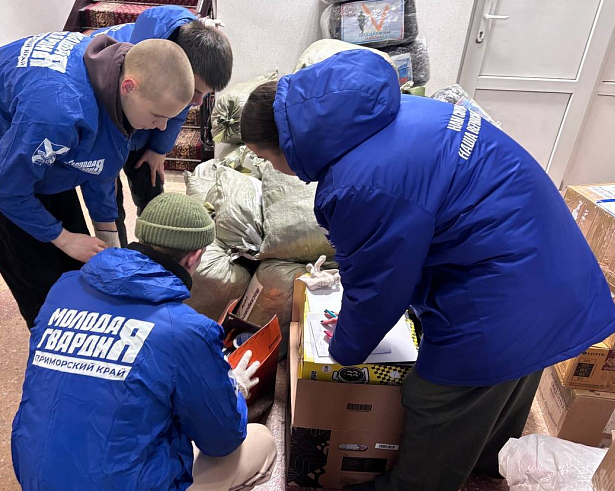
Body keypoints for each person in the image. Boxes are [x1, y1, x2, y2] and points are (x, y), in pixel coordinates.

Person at [240, 49, 615, 491]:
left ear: (288, 145)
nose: (272, 169)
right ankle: (486, 457)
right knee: (506, 379)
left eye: (266, 158)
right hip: (549, 258)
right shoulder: (384, 112)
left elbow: (377, 289)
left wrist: (340, 352)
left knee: (436, 396)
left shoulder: (359, 182)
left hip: (509, 288)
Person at [11, 192, 277, 491]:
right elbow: (222, 441)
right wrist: (234, 389)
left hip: (36, 478)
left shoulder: (64, 289)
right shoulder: (185, 329)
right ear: (195, 256)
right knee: (261, 443)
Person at [0, 33, 194, 328]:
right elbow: (6, 190)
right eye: (157, 115)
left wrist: (108, 238)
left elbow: (100, 160)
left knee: (79, 260)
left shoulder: (120, 76)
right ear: (129, 87)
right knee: (38, 276)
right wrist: (63, 238)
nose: (162, 127)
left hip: (41, 145)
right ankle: (51, 335)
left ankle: (83, 321)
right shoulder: (57, 114)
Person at [92, 6, 233, 245]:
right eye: (196, 92)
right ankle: (119, 254)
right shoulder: (121, 61)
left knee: (151, 183)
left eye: (206, 94)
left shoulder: (187, 57)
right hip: (108, 125)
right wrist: (107, 167)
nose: (198, 102)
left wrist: (159, 148)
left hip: (142, 129)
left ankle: (157, 248)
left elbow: (177, 110)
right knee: (109, 202)